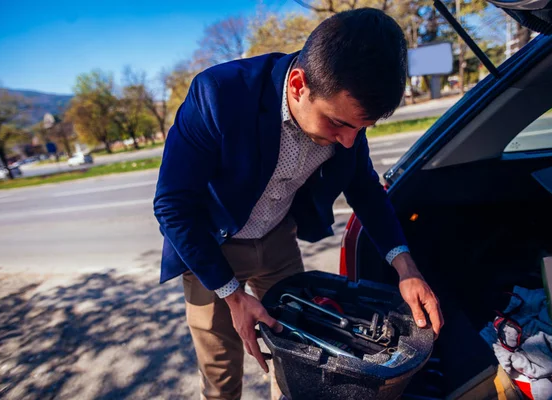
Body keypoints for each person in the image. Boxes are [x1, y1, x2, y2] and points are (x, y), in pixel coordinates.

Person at [154, 8, 444, 400]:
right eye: (338, 124)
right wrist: (233, 295)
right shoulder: (218, 95)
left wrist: (404, 265)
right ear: (297, 84)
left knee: (298, 358)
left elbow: (364, 187)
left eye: (360, 130)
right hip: (211, 246)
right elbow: (172, 204)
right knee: (221, 369)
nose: (348, 141)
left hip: (278, 239)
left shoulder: (346, 117)